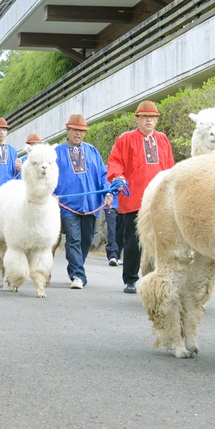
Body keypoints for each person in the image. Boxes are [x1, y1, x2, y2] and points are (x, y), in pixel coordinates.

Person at [107, 100, 175, 294]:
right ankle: (130, 279)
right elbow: (115, 163)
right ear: (137, 119)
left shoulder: (162, 139)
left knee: (161, 240)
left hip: (159, 200)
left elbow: (170, 166)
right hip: (134, 198)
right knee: (133, 241)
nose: (149, 121)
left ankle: (159, 277)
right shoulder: (125, 139)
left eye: (152, 117)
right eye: (145, 117)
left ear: (156, 120)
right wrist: (118, 178)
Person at [54, 114, 108, 289]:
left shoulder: (92, 151)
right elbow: (49, 176)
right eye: (75, 130)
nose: (78, 134)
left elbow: (103, 174)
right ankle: (77, 275)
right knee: (73, 238)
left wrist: (108, 192)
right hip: (67, 205)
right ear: (67, 130)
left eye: (81, 131)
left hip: (91, 203)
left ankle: (78, 267)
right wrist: (51, 194)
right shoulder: (57, 153)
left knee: (87, 239)